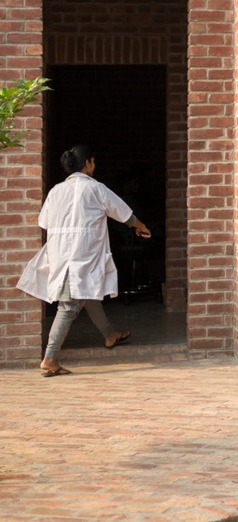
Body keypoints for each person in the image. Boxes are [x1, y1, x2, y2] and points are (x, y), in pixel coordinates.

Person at [17, 144, 152, 376]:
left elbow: (44, 222)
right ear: (87, 163)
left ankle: (110, 334)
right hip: (81, 254)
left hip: (61, 253)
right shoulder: (95, 188)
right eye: (93, 161)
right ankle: (50, 358)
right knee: (69, 306)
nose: (94, 165)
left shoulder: (56, 191)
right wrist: (141, 226)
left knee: (86, 292)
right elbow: (123, 213)